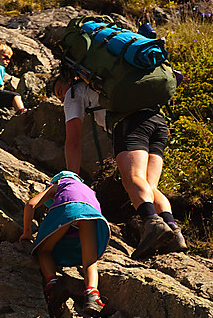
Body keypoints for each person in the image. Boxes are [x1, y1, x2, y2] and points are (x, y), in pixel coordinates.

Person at [53, 74, 186, 260]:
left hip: (130, 123)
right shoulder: (107, 79)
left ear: (71, 79)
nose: (61, 97)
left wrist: (71, 180)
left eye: (60, 91)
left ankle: (152, 223)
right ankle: (174, 230)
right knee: (150, 186)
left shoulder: (75, 92)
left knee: (133, 178)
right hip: (157, 121)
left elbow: (73, 141)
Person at [20, 171, 110, 318]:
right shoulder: (88, 190)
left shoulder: (59, 184)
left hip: (67, 208)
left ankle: (53, 284)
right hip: (91, 214)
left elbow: (30, 205)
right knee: (90, 260)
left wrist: (27, 233)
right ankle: (92, 295)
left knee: (44, 250)